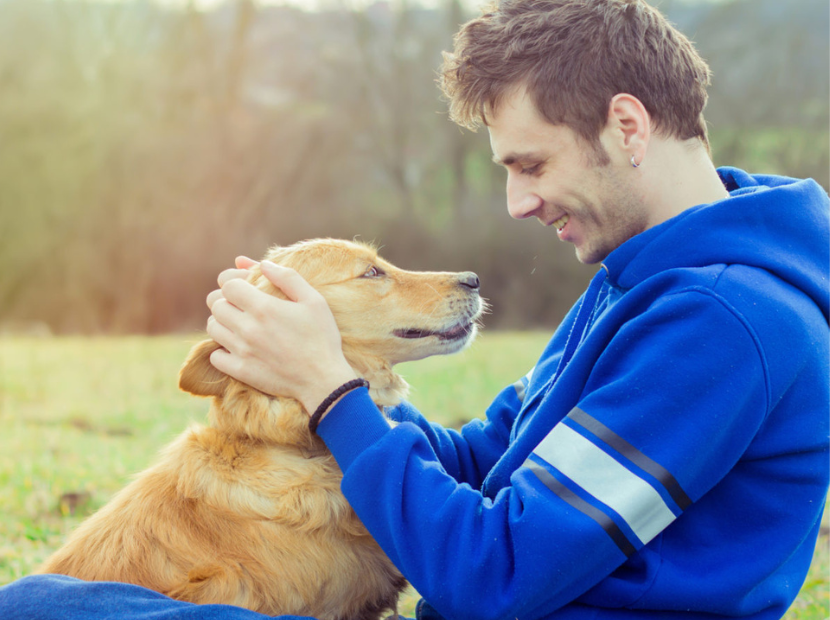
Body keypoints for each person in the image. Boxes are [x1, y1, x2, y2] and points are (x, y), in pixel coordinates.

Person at [2, 0, 827, 619]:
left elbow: (494, 577)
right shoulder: (651, 281)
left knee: (35, 607)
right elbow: (484, 460)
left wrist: (330, 391)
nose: (516, 202)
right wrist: (310, 378)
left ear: (627, 125)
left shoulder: (726, 323)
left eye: (531, 164)